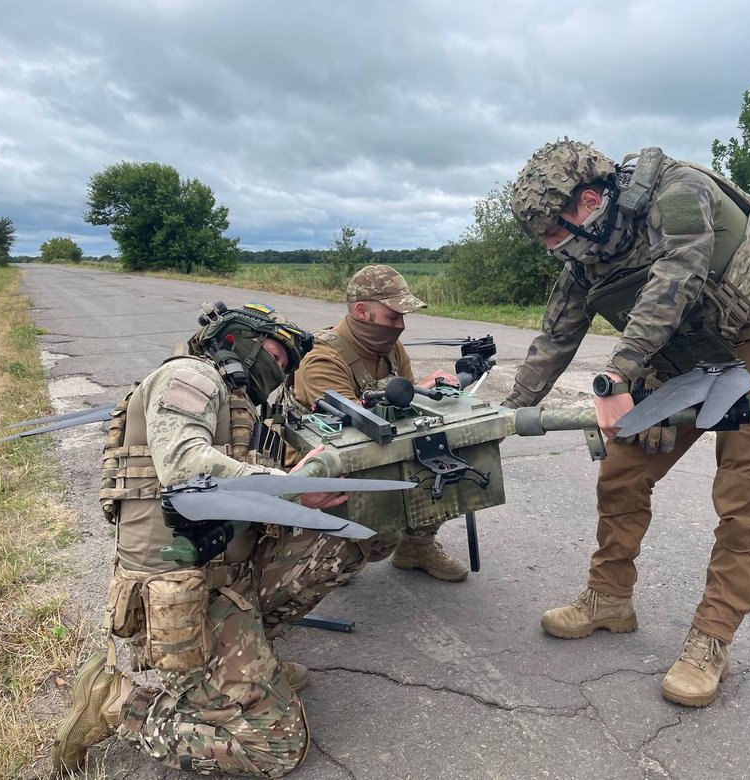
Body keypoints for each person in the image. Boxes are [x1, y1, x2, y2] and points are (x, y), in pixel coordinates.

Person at [503, 140, 750, 707]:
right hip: (679, 358)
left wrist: (619, 375)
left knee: (743, 503)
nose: (551, 247)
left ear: (590, 201)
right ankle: (609, 598)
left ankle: (711, 639)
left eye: (552, 231)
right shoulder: (585, 255)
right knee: (621, 470)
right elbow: (555, 338)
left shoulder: (678, 190)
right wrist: (506, 411)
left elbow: (678, 275)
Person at [52, 302, 368, 777]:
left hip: (225, 574)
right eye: (275, 355)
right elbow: (184, 465)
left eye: (287, 366)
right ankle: (117, 704)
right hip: (180, 590)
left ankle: (249, 657)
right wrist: (292, 487)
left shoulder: (242, 409)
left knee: (341, 540)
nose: (278, 370)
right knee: (275, 748)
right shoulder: (191, 376)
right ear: (234, 340)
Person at [291, 264, 469, 581]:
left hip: (379, 451)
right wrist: (420, 392)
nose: (400, 326)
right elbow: (351, 432)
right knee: (369, 538)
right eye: (393, 316)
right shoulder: (322, 360)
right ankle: (330, 551)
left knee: (447, 452)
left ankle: (417, 544)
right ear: (362, 311)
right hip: (333, 465)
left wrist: (429, 395)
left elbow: (411, 418)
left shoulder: (390, 348)